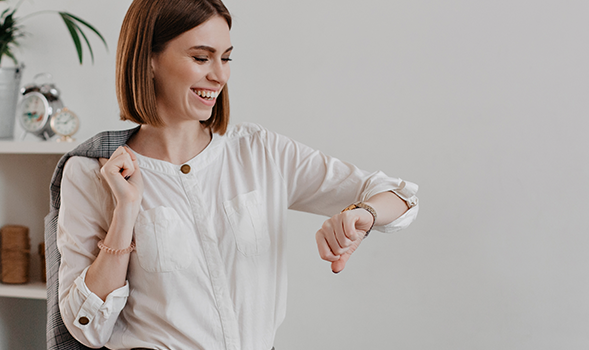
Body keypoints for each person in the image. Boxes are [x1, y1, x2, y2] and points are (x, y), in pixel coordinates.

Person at [44, 0, 420, 349]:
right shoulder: (92, 173)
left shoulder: (261, 152)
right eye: (201, 57)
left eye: (225, 58)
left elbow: (400, 196)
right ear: (149, 60)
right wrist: (125, 212)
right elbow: (86, 328)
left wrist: (362, 215)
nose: (219, 75)